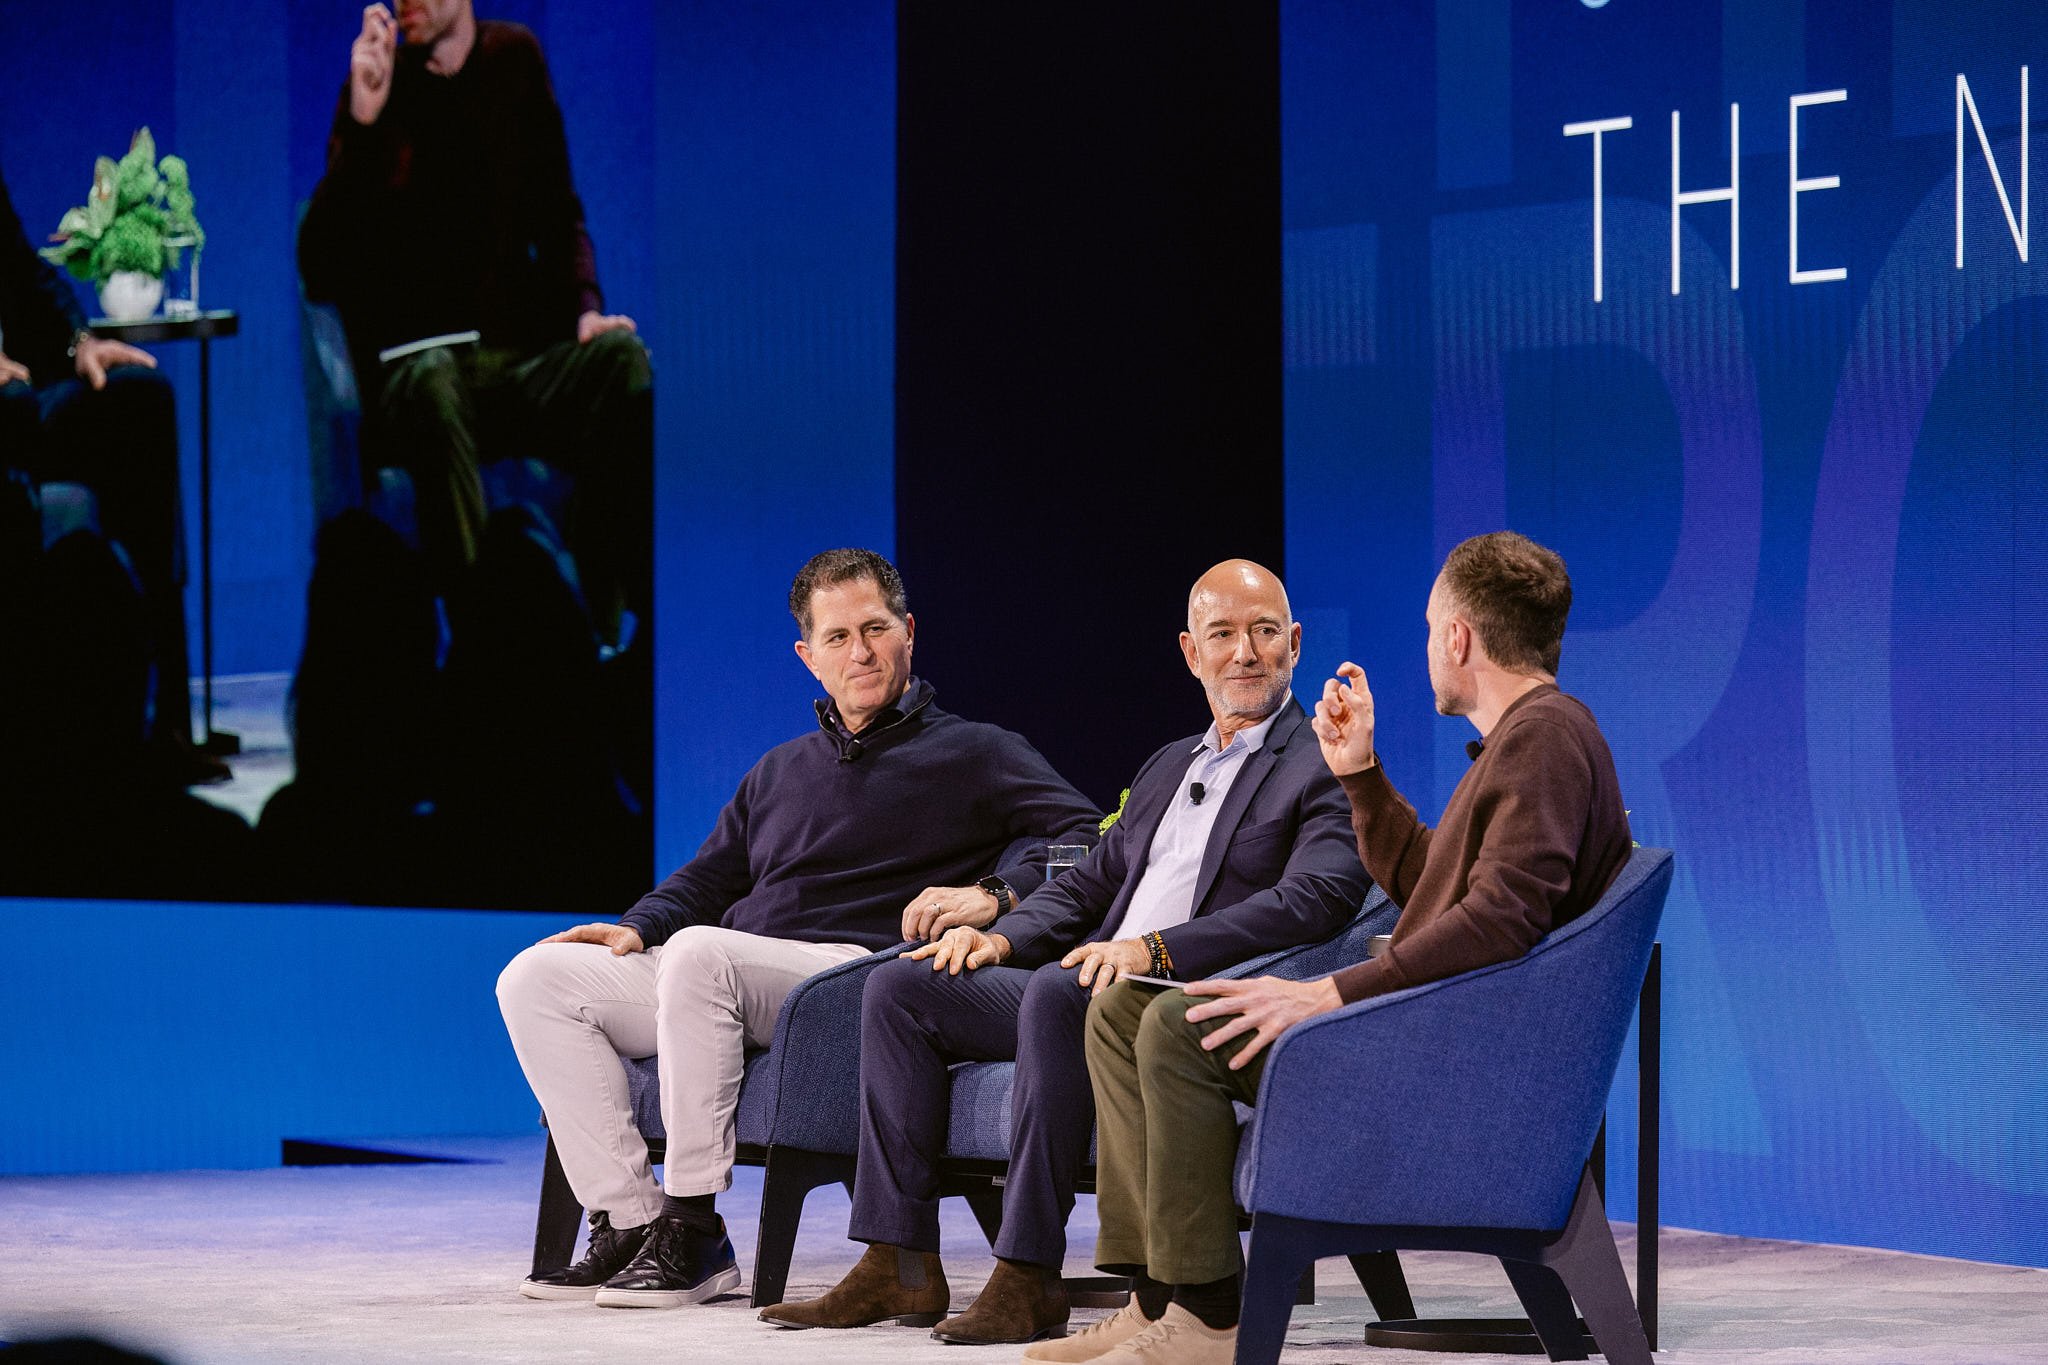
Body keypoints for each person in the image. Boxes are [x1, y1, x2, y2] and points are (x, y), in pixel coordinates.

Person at [760, 560, 1371, 1345]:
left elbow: (1314, 899)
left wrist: (1155, 949)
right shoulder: (1167, 765)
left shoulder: (1321, 760)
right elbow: (1088, 884)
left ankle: (1027, 1273)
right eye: (1223, 634)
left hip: (1174, 994)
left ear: (1294, 644)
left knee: (1055, 990)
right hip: (1090, 975)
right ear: (1193, 653)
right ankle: (898, 1260)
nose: (1244, 653)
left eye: (1262, 633)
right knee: (904, 984)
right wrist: (996, 932)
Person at [1061, 531, 1633, 1365]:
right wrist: (1359, 773)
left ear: (1458, 637)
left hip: (1448, 1066)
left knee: (1179, 1030)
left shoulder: (1545, 739)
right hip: (1429, 1039)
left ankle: (1210, 1314)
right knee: (1122, 1011)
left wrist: (1332, 992)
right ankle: (1159, 1296)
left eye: (1432, 624)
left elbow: (1502, 921)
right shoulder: (1529, 737)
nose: (1429, 642)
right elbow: (1438, 885)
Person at [495, 548, 1101, 1309]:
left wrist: (995, 892)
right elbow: (711, 877)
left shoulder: (976, 751)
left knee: (698, 952)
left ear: (909, 631)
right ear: (807, 656)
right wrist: (635, 926)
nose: (861, 651)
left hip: (847, 975)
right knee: (535, 978)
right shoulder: (780, 769)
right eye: (838, 637)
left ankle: (694, 1227)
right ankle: (632, 1219)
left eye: (876, 628)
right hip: (725, 968)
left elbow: (1089, 835)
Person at [298, 0, 650, 639]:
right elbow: (321, 264)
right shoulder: (376, 84)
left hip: (512, 364)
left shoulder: (513, 61)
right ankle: (482, 648)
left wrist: (585, 311)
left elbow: (560, 213)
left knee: (622, 361)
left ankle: (599, 636)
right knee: (436, 381)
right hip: (419, 380)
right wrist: (364, 123)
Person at [0, 160, 214, 782]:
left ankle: (165, 723)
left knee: (140, 398)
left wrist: (79, 342)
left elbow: (25, 268)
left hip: (23, 388)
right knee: (10, 407)